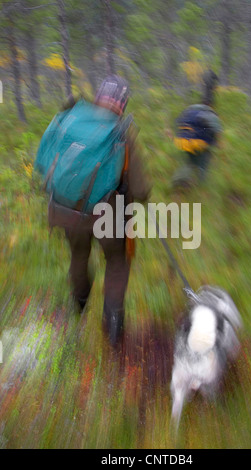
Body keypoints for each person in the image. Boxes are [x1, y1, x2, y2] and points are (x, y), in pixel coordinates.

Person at [48, 75, 151, 347]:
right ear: (123, 103)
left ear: (98, 95)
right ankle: (113, 326)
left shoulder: (73, 119)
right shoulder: (121, 131)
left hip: (65, 210)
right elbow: (141, 190)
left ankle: (79, 305)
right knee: (117, 263)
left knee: (78, 255)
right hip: (108, 215)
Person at [172, 70, 222, 189]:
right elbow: (216, 129)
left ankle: (177, 179)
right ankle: (202, 186)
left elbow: (179, 121)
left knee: (190, 163)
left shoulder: (192, 108)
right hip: (198, 142)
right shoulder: (210, 112)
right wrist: (218, 143)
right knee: (203, 163)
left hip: (182, 140)